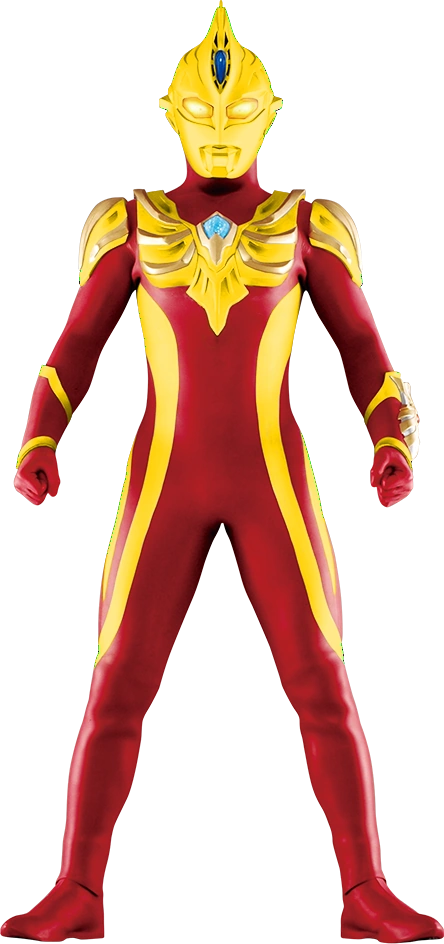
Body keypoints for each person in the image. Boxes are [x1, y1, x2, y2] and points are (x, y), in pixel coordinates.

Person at [3, 3, 442, 942]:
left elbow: (363, 348)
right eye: (200, 116)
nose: (216, 130)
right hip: (165, 477)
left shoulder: (302, 223)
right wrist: (42, 436)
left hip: (269, 478)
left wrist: (389, 436)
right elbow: (75, 348)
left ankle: (363, 887)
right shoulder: (134, 223)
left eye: (233, 114)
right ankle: (79, 887)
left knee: (319, 675)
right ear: (172, 115)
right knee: (118, 675)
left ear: (266, 115)